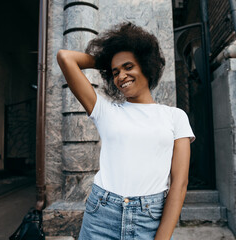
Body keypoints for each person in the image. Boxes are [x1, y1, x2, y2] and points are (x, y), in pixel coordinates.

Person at [57, 22, 195, 240]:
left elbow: (179, 183)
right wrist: (104, 59)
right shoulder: (105, 110)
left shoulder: (175, 117)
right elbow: (65, 58)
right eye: (115, 72)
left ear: (146, 65)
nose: (121, 76)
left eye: (128, 67)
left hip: (148, 218)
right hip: (101, 214)